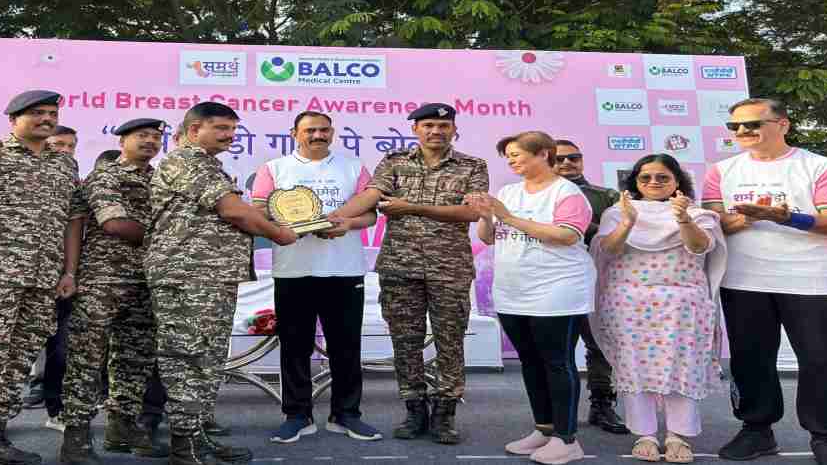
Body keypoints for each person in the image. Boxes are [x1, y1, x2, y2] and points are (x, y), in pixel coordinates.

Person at [147, 101, 297, 465]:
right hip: (186, 275)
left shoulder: (207, 165)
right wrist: (279, 233)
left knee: (208, 358)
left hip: (209, 276)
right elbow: (231, 209)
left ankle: (196, 436)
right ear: (194, 130)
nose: (230, 136)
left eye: (233, 130)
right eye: (221, 129)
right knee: (187, 357)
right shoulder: (184, 160)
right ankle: (184, 445)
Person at [332, 103, 488, 445]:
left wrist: (412, 207)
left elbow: (472, 212)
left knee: (450, 343)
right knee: (405, 343)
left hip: (449, 268)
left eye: (443, 126)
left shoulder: (473, 165)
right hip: (400, 267)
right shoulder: (394, 162)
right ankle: (414, 410)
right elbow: (371, 195)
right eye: (428, 125)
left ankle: (445, 415)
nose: (436, 131)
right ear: (415, 129)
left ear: (454, 130)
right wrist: (339, 218)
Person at [0, 90, 85, 465]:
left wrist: (69, 271)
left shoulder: (64, 165)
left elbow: (74, 221)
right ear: (13, 119)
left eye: (51, 113)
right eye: (36, 113)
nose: (46, 119)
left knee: (17, 360)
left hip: (43, 281)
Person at [701, 98, 827, 465]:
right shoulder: (721, 171)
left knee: (821, 359)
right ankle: (757, 430)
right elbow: (713, 225)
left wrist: (785, 217)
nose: (743, 132)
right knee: (750, 359)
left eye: (752, 124)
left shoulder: (821, 167)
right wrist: (749, 218)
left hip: (812, 280)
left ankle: (826, 435)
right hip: (743, 279)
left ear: (783, 125)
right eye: (735, 127)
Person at [250, 111, 380, 444]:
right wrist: (290, 224)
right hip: (294, 270)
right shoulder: (274, 168)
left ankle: (346, 415)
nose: (317, 135)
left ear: (332, 133)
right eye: (310, 130)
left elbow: (369, 214)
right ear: (295, 133)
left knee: (346, 347)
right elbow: (260, 210)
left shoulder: (352, 166)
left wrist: (347, 224)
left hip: (345, 268)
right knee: (295, 346)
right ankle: (297, 415)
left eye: (323, 130)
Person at [591, 154, 726, 463]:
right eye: (645, 177)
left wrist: (683, 219)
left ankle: (679, 436)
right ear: (635, 182)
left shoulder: (696, 213)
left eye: (663, 177)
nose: (653, 182)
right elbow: (608, 251)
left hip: (682, 304)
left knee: (682, 368)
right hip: (628, 304)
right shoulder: (618, 212)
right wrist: (627, 222)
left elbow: (699, 247)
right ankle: (645, 435)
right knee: (634, 369)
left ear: (677, 181)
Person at [469, 130, 594, 465]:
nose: (511, 161)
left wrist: (507, 215)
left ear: (543, 154)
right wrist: (486, 214)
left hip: (556, 290)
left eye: (517, 154)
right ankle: (544, 428)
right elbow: (490, 237)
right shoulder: (509, 191)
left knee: (557, 362)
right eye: (507, 156)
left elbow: (566, 236)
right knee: (530, 362)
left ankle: (567, 439)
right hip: (513, 290)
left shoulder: (567, 193)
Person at [59, 119, 171, 463]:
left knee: (134, 359)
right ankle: (75, 437)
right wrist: (174, 238)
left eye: (156, 137)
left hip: (146, 280)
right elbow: (115, 224)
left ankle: (122, 428)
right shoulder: (106, 176)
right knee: (86, 359)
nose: (151, 142)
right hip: (102, 281)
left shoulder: (162, 180)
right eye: (142, 136)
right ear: (123, 140)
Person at [553, 139, 626, 434]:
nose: (567, 163)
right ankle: (558, 411)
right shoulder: (539, 196)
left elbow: (616, 239)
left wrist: (579, 227)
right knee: (558, 351)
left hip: (598, 281)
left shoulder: (606, 196)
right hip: (554, 282)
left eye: (574, 157)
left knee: (599, 346)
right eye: (559, 159)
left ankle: (602, 405)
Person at [22, 125, 81, 432]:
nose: (65, 151)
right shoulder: (19, 174)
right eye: (59, 144)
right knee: (11, 348)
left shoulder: (72, 179)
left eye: (71, 146)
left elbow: (75, 225)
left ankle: (55, 409)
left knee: (60, 347)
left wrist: (69, 272)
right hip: (17, 274)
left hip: (58, 278)